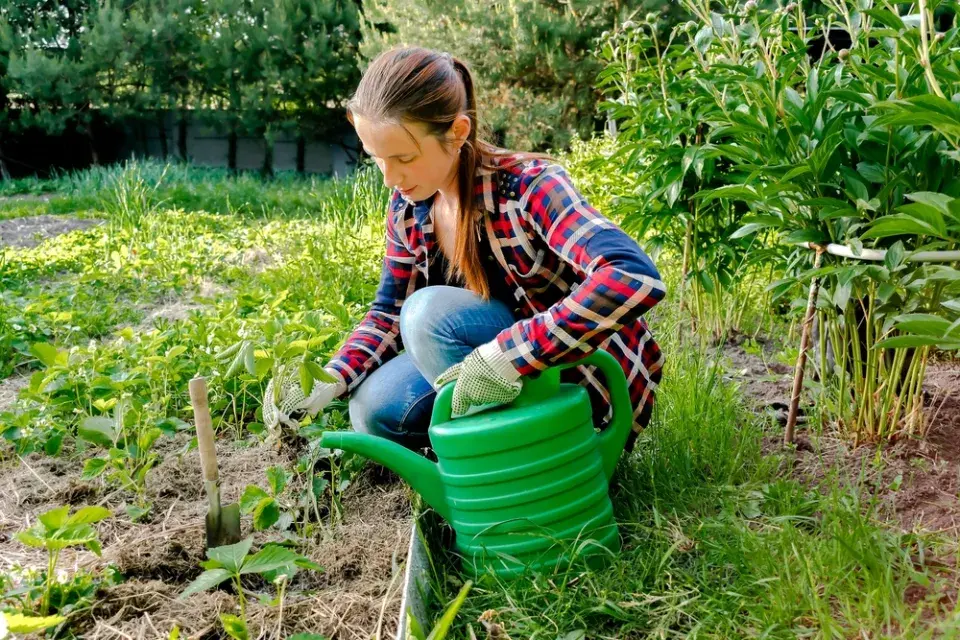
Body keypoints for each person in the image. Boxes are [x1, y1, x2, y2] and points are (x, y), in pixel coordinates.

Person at [263, 46, 666, 453]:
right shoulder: (407, 208)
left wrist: (510, 354)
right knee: (374, 408)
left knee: (428, 315)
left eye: (404, 158)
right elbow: (388, 313)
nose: (390, 178)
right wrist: (329, 379)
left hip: (573, 377)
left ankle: (535, 457)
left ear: (457, 132)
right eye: (378, 159)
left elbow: (631, 275)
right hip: (491, 368)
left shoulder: (529, 187)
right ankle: (475, 453)